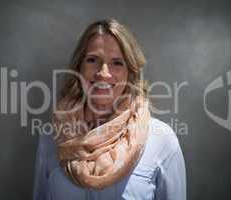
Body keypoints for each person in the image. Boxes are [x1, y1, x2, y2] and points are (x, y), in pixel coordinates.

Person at [33, 18, 186, 200]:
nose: (103, 73)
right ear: (78, 68)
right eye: (92, 60)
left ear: (131, 73)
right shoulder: (51, 138)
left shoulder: (162, 141)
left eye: (117, 63)